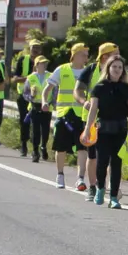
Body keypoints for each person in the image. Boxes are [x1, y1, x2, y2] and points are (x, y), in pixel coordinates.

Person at [82, 55, 128, 208]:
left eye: (120, 67)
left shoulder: (125, 88)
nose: (117, 70)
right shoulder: (99, 87)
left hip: (120, 129)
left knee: (116, 163)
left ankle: (114, 197)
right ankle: (100, 188)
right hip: (103, 129)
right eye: (114, 67)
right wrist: (88, 129)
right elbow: (93, 109)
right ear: (108, 68)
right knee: (102, 162)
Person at [75, 43, 120, 202]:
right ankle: (93, 187)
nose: (118, 56)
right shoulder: (91, 70)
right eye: (115, 53)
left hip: (113, 119)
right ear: (104, 56)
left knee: (112, 156)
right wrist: (83, 101)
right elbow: (78, 90)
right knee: (93, 156)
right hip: (92, 119)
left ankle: (109, 186)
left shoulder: (119, 70)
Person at [43, 43, 91, 190]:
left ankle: (80, 179)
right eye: (83, 54)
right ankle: (60, 175)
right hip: (64, 114)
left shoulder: (89, 71)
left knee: (82, 148)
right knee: (61, 147)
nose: (86, 57)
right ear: (75, 55)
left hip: (82, 114)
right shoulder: (61, 69)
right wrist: (45, 101)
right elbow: (48, 89)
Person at [11, 39, 43, 158]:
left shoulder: (43, 62)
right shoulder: (22, 60)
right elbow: (15, 79)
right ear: (29, 48)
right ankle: (23, 145)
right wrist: (30, 78)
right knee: (24, 121)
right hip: (24, 96)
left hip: (39, 98)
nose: (35, 50)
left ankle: (37, 148)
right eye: (33, 47)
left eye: (38, 48)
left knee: (38, 124)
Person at [24, 56, 52, 163]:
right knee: (35, 131)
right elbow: (25, 93)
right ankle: (35, 152)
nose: (44, 65)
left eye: (45, 63)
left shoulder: (50, 76)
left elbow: (54, 91)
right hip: (35, 106)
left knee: (45, 130)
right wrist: (31, 96)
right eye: (41, 63)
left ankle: (43, 146)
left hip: (46, 107)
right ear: (36, 65)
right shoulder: (31, 78)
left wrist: (51, 103)